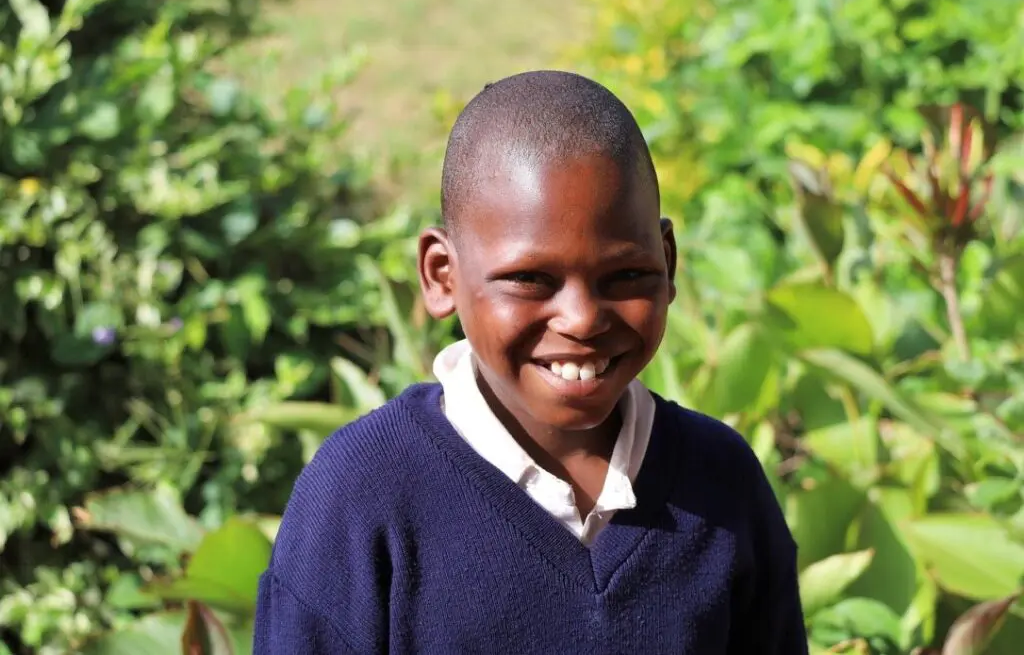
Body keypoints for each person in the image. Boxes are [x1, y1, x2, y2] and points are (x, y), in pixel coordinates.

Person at [253, 70, 807, 654]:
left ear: (666, 263)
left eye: (625, 275)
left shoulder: (721, 482)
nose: (583, 318)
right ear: (442, 275)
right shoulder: (361, 496)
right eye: (529, 279)